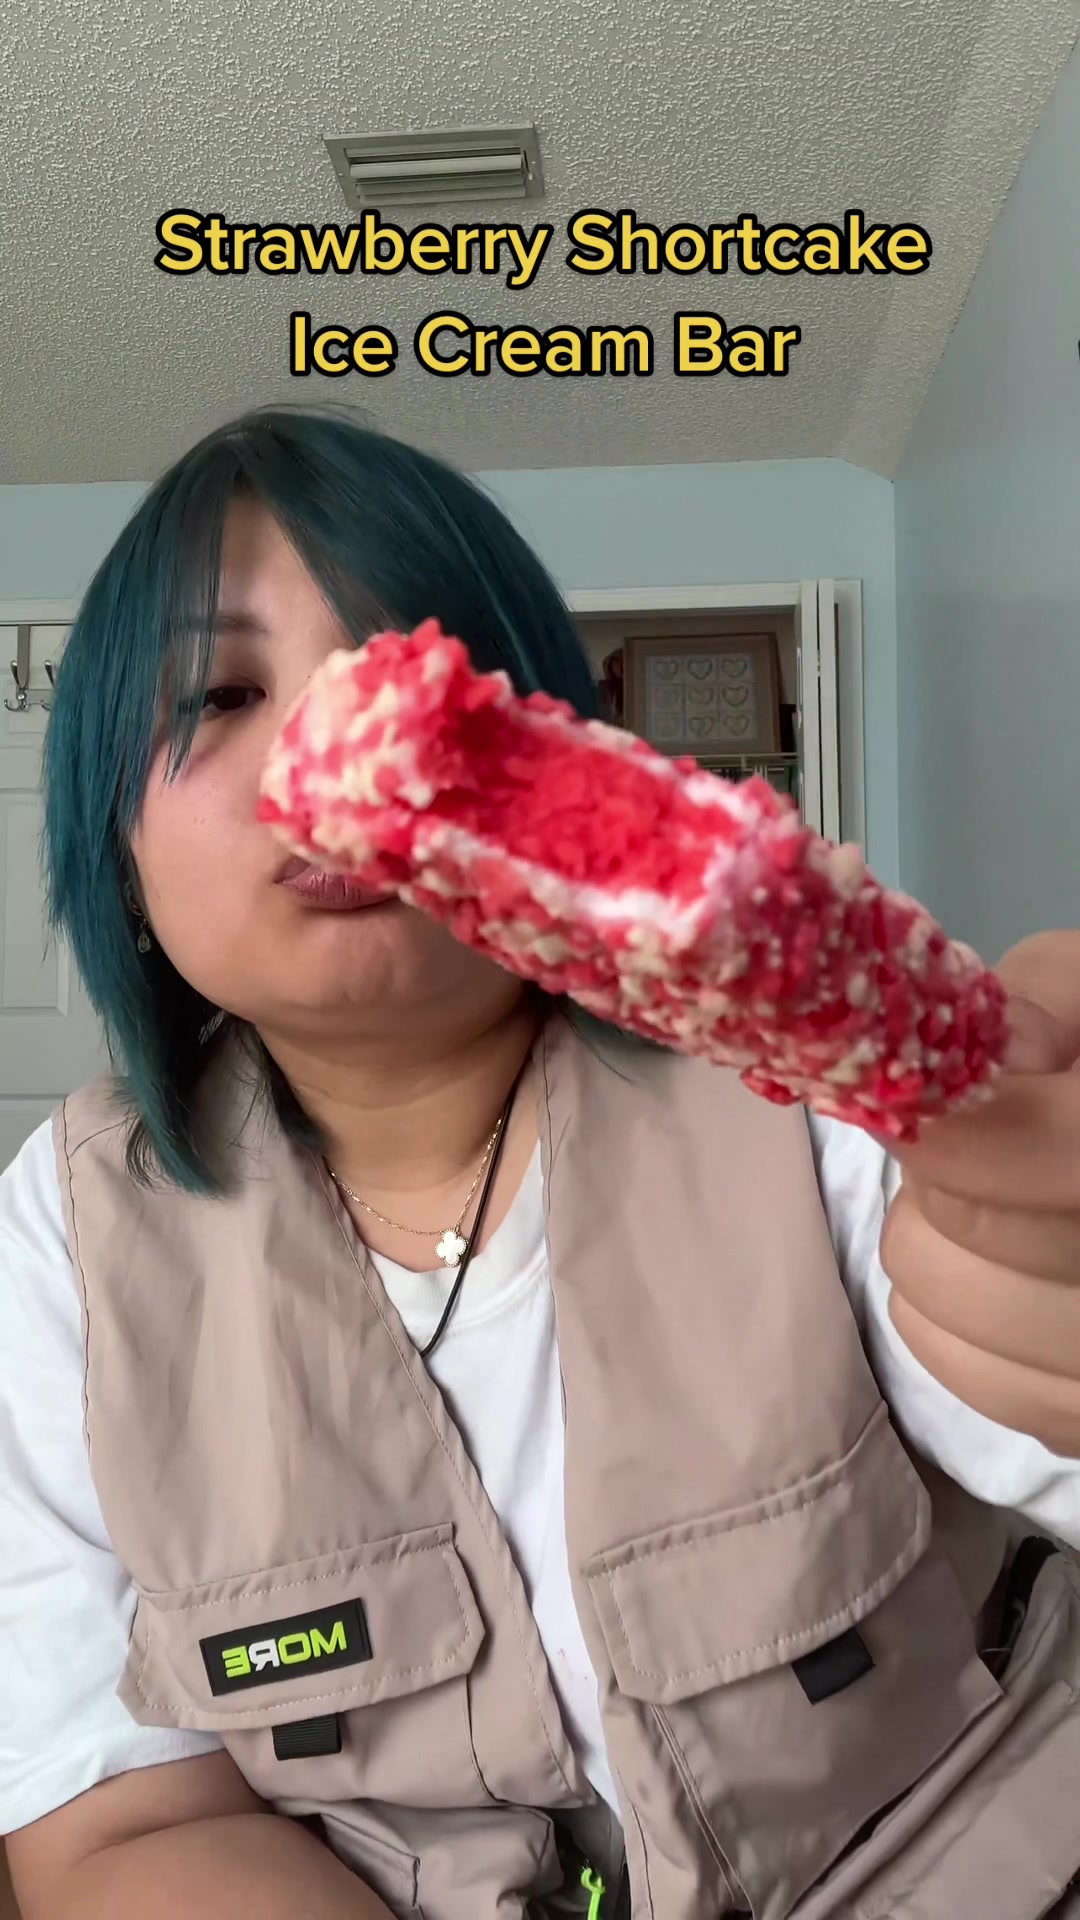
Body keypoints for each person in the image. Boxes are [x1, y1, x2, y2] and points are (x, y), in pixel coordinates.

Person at [2, 406, 1079, 1920]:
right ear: (112, 836)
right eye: (224, 692)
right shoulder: (63, 1235)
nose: (325, 751)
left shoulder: (798, 1105)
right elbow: (116, 1823)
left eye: (418, 677)